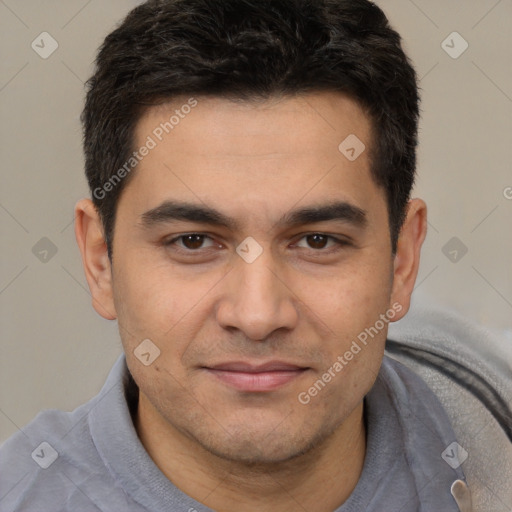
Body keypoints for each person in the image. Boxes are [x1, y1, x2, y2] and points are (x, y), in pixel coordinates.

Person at [2, 0, 510, 510]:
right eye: (193, 241)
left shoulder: (492, 429)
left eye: (317, 241)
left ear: (401, 262)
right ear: (100, 261)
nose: (258, 315)